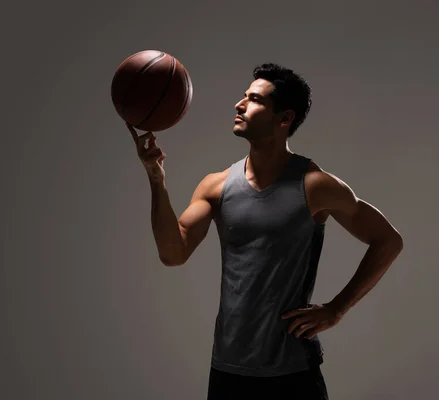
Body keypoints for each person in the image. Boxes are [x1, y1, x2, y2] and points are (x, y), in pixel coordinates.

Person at [126, 63, 404, 400]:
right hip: (229, 368)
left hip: (292, 372)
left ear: (284, 118)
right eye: (244, 96)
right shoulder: (216, 186)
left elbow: (388, 240)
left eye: (254, 100)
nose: (239, 105)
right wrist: (156, 178)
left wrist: (337, 308)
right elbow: (173, 253)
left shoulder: (314, 186)